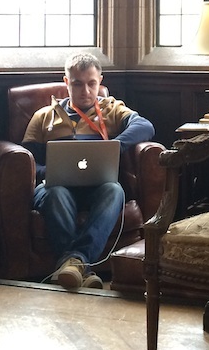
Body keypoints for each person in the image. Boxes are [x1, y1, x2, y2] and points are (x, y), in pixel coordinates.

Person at [21, 52, 155, 289]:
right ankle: (83, 266)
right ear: (66, 82)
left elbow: (145, 126)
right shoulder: (43, 116)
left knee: (115, 191)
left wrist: (115, 147)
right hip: (55, 187)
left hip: (97, 187)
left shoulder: (112, 109)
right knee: (55, 192)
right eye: (77, 84)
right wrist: (50, 172)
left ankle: (72, 264)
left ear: (100, 81)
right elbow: (29, 162)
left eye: (92, 83)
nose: (86, 91)